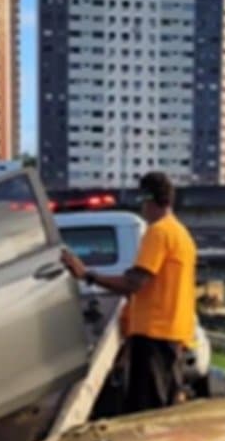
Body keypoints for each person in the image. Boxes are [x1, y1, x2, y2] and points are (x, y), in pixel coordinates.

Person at [61, 171, 197, 414]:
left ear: (148, 198)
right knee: (161, 409)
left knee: (145, 412)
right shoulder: (181, 234)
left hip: (154, 335)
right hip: (172, 334)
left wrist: (87, 275)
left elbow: (134, 283)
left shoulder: (158, 233)